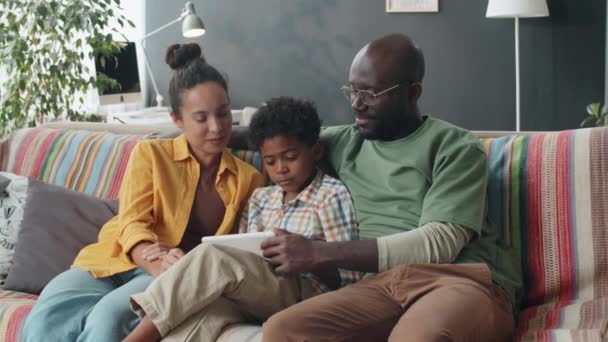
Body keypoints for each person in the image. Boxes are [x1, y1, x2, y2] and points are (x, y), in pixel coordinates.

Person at [258, 33, 521, 341]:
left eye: (371, 93)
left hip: (458, 279)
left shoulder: (454, 146)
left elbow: (439, 244)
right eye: (353, 90)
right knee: (283, 330)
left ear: (413, 92)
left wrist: (319, 253)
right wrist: (211, 132)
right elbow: (278, 136)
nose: (357, 103)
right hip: (378, 286)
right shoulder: (345, 141)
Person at [21, 43, 264, 342]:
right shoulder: (151, 154)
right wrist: (155, 261)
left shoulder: (247, 179)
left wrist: (174, 269)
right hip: (111, 259)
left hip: (173, 277)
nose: (216, 127)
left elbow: (236, 251)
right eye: (201, 118)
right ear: (177, 120)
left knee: (107, 322)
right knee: (45, 317)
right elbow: (132, 220)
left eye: (224, 114)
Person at [123, 96, 360, 342]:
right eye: (270, 161)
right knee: (204, 314)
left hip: (306, 292)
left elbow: (347, 276)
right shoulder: (261, 198)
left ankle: (136, 338)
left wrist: (307, 255)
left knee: (213, 255)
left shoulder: (330, 195)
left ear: (316, 150)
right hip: (258, 293)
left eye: (290, 157)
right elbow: (245, 257)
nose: (281, 168)